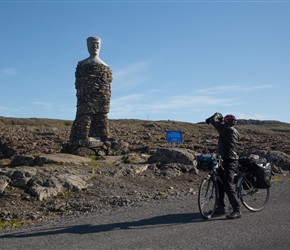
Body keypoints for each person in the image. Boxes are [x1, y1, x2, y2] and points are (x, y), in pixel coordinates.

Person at [206, 112, 241, 219]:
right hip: (224, 160)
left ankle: (237, 210)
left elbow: (213, 120)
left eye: (224, 121)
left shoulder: (227, 130)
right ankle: (220, 207)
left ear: (226, 122)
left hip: (230, 161)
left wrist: (218, 115)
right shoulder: (233, 131)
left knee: (227, 183)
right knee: (218, 181)